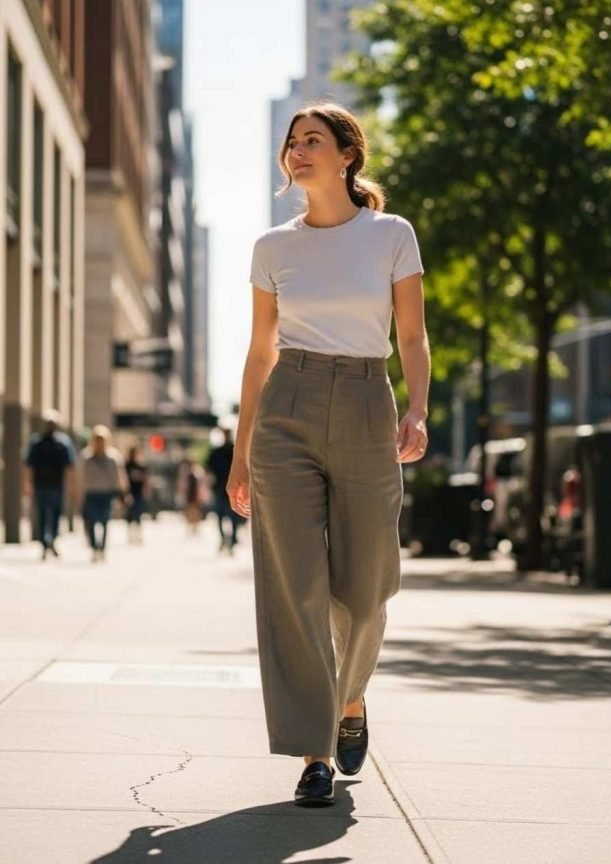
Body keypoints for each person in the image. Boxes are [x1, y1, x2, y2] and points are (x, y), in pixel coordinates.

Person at [227, 102, 430, 808]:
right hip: (287, 407)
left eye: (312, 140)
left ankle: (350, 698)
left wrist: (417, 408)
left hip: (368, 402)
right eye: (291, 142)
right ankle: (314, 750)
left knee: (366, 588)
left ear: (348, 155)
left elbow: (411, 336)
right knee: (295, 588)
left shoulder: (390, 234)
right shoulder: (272, 247)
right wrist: (240, 452)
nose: (298, 151)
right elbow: (260, 352)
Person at [23, 409, 77, 559]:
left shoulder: (63, 443)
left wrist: (72, 486)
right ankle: (44, 543)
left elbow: (70, 467)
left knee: (56, 515)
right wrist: (27, 484)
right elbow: (29, 465)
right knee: (41, 515)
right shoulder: (37, 442)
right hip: (40, 485)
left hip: (57, 486)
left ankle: (52, 540)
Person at [78, 426, 128, 562]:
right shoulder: (86, 456)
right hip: (91, 492)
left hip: (106, 493)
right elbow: (80, 476)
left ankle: (102, 548)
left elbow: (120, 476)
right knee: (90, 521)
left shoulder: (113, 457)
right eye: (97, 440)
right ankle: (94, 547)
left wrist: (123, 492)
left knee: (105, 521)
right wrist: (78, 492)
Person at [206, 425, 245, 553]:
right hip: (220, 488)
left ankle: (232, 540)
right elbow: (209, 469)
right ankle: (225, 539)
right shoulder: (219, 452)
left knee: (232, 515)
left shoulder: (234, 451)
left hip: (232, 488)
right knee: (220, 515)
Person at [124, 445, 149, 542]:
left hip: (138, 493)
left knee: (138, 513)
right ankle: (130, 534)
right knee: (129, 514)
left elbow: (145, 480)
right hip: (130, 492)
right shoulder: (127, 466)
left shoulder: (141, 466)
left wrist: (145, 490)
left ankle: (138, 534)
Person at [177, 456, 206, 535]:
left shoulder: (198, 471)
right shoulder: (185, 471)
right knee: (189, 510)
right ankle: (191, 525)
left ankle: (195, 526)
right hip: (189, 494)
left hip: (196, 494)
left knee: (195, 511)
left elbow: (201, 484)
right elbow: (182, 484)